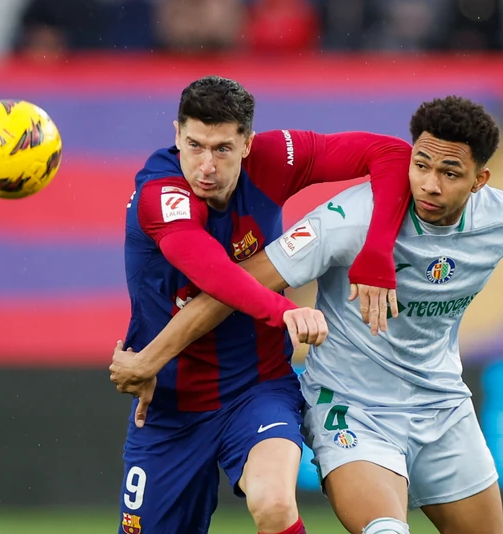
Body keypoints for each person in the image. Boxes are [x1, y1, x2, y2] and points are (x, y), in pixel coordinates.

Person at [112, 95, 503, 534]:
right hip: (352, 409)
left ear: (480, 181)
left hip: (443, 405)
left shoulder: (497, 216)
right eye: (421, 165)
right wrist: (152, 358)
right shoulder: (346, 219)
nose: (429, 185)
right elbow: (229, 287)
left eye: (450, 174)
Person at [110, 75, 413, 534]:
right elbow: (212, 272)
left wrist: (376, 251)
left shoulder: (275, 158)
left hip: (257, 389)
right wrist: (284, 310)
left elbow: (390, 154)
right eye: (194, 145)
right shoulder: (161, 194)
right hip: (169, 405)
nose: (206, 166)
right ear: (177, 135)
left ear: (248, 144)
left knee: (273, 503)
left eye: (223, 149)